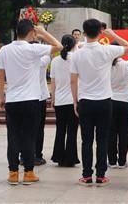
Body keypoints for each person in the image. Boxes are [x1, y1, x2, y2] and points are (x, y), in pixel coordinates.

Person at [0, 20, 62, 185]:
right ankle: (28, 173)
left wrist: (0, 96)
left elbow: (0, 76)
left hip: (12, 99)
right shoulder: (33, 49)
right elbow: (59, 46)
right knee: (29, 136)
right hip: (30, 100)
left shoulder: (5, 50)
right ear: (32, 32)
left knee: (13, 136)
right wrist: (43, 32)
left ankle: (12, 173)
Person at [70, 19, 128, 186]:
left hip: (85, 101)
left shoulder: (77, 54)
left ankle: (86, 175)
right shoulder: (107, 51)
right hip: (104, 101)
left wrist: (75, 101)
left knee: (86, 140)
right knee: (102, 139)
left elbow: (73, 81)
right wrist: (113, 34)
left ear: (83, 33)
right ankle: (101, 175)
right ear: (100, 32)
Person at [108, 42, 128, 169]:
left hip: (110, 100)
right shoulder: (127, 64)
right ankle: (122, 161)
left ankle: (111, 161)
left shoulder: (106, 65)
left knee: (111, 132)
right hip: (125, 101)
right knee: (124, 132)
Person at [51, 35, 80, 167]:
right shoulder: (76, 58)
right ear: (74, 45)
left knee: (60, 130)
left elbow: (53, 81)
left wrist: (53, 98)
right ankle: (70, 158)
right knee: (72, 131)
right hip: (73, 99)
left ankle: (59, 157)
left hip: (60, 100)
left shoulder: (55, 60)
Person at [35, 52, 52, 166]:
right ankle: (37, 155)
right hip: (40, 96)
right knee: (39, 128)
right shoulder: (43, 60)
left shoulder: (23, 59)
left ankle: (23, 155)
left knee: (25, 129)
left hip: (26, 96)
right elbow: (55, 46)